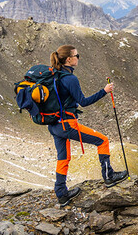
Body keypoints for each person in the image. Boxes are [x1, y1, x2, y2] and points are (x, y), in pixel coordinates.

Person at [49, 45, 128, 207]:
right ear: (69, 59)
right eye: (77, 55)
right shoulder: (70, 79)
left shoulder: (53, 75)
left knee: (63, 157)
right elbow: (83, 102)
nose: (79, 57)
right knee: (103, 140)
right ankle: (109, 177)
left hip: (54, 125)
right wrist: (104, 91)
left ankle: (61, 193)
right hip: (68, 124)